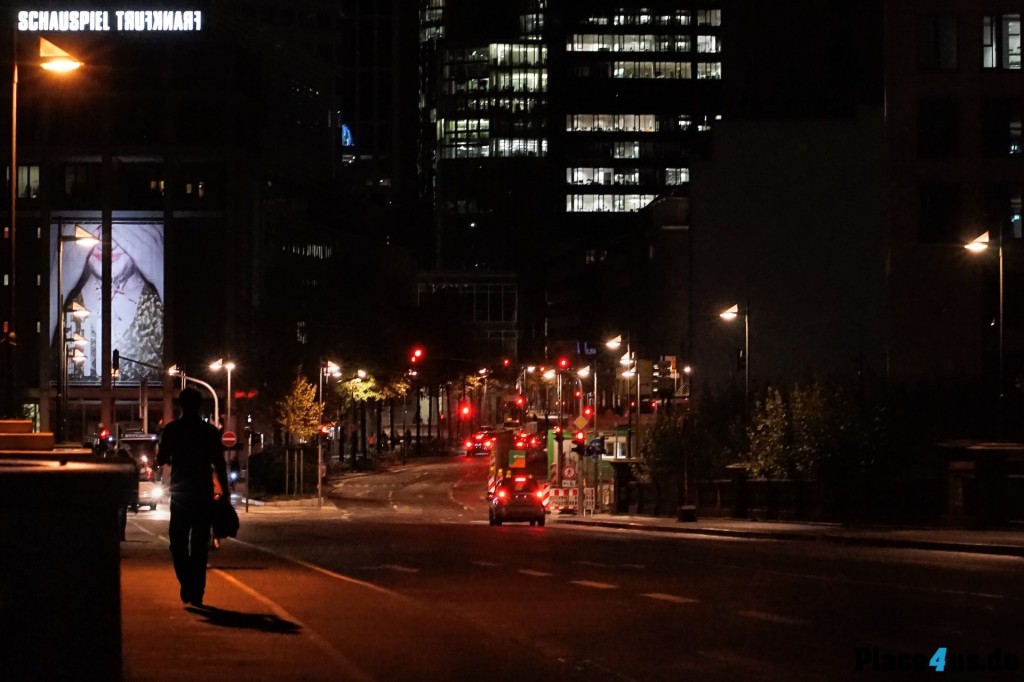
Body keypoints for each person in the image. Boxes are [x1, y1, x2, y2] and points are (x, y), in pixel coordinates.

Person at [157, 387, 228, 607]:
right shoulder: (209, 432)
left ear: (180, 404)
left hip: (181, 493)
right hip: (202, 492)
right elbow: (220, 464)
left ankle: (187, 581)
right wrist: (224, 492)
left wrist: (172, 458)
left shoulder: (172, 430)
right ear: (199, 405)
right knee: (199, 543)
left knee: (177, 541)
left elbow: (161, 459)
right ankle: (197, 589)